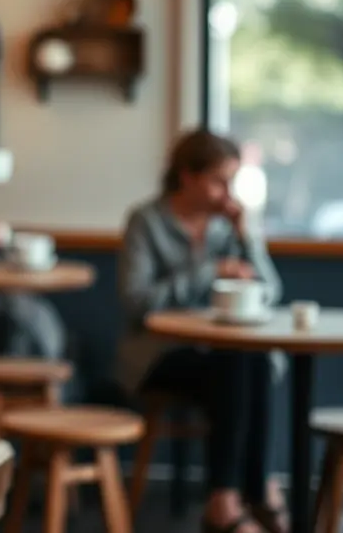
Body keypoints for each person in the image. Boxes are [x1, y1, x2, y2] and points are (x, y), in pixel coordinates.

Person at [119, 129, 285, 533]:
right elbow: (137, 303)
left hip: (219, 354)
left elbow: (272, 293)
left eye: (232, 181)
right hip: (158, 354)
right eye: (218, 181)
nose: (226, 193)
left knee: (252, 360)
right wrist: (208, 272)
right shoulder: (147, 222)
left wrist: (249, 237)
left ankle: (243, 491)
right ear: (187, 176)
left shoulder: (227, 228)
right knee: (236, 365)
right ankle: (239, 496)